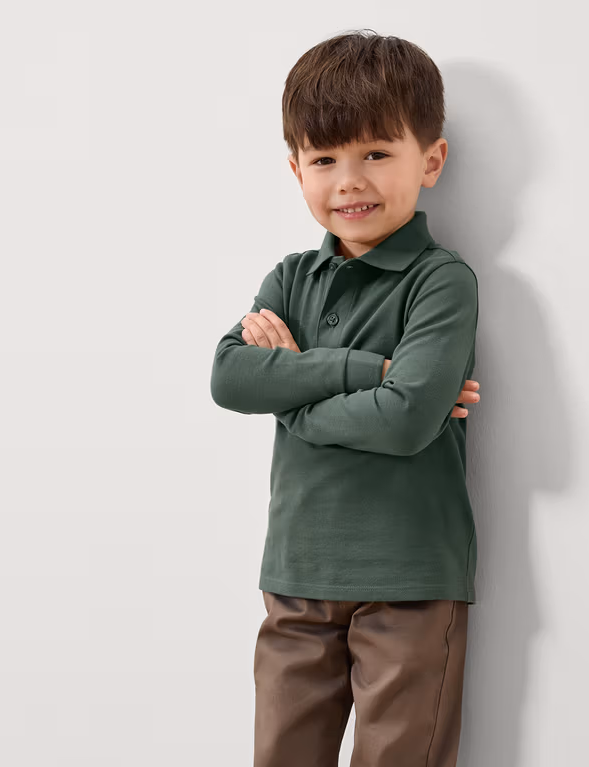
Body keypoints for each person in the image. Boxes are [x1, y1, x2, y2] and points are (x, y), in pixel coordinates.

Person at [210, 29, 482, 767]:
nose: (349, 181)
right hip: (296, 575)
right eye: (325, 159)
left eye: (376, 154)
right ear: (296, 168)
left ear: (431, 160)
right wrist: (364, 370)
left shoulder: (441, 280)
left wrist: (290, 387)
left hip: (410, 578)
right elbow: (230, 377)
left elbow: (404, 421)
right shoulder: (290, 277)